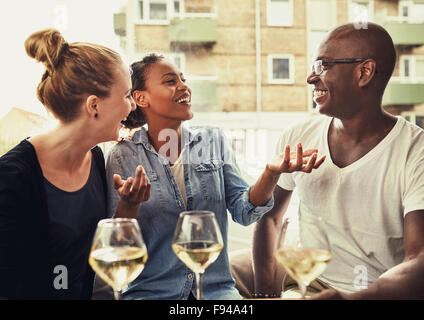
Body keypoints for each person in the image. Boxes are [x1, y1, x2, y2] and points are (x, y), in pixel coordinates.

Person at [105, 53, 326, 300]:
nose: (183, 86)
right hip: (150, 293)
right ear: (141, 97)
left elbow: (244, 211)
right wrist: (129, 205)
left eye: (183, 79)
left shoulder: (212, 141)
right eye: (170, 81)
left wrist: (270, 173)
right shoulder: (123, 155)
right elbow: (119, 245)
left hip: (216, 292)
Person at [252, 22, 424, 299]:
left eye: (323, 65)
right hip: (307, 286)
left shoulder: (417, 150)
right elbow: (270, 217)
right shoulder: (297, 136)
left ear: (364, 72)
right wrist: (263, 295)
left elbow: (419, 259)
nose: (310, 78)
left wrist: (349, 299)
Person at [0, 29, 150, 300]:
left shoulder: (95, 159)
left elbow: (96, 258)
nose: (131, 107)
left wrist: (129, 206)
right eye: (126, 95)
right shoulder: (11, 177)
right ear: (94, 106)